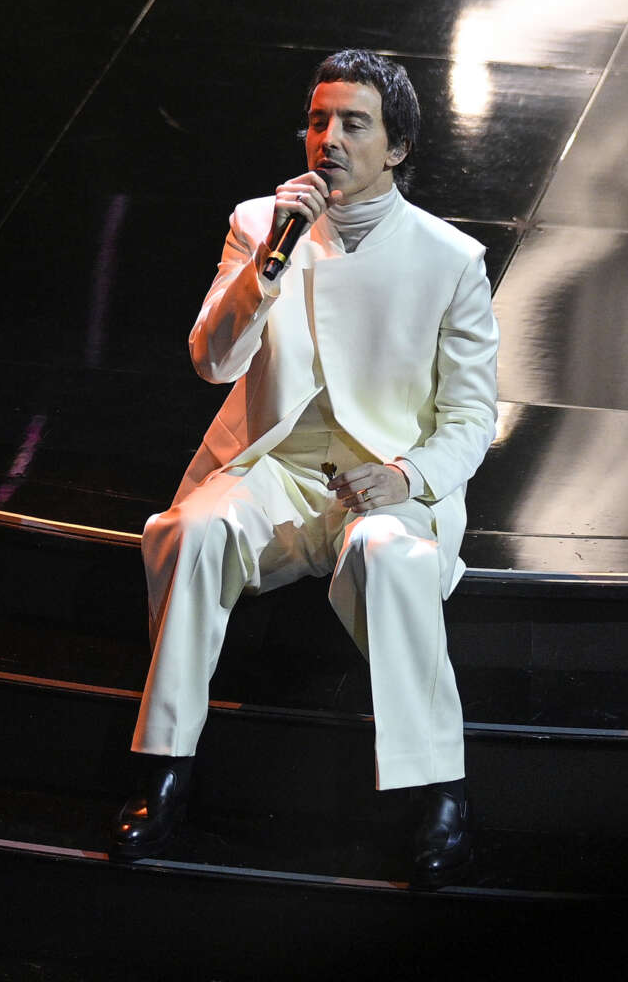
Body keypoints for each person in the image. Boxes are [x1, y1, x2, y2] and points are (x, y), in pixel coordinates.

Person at [112, 49, 499, 885]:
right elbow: (213, 363)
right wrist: (267, 265)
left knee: (389, 555)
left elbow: (472, 418)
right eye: (319, 121)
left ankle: (439, 790)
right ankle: (164, 766)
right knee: (194, 531)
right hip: (276, 469)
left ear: (398, 147)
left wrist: (406, 477)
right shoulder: (261, 224)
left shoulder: (449, 259)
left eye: (354, 123)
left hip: (384, 481)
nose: (329, 139)